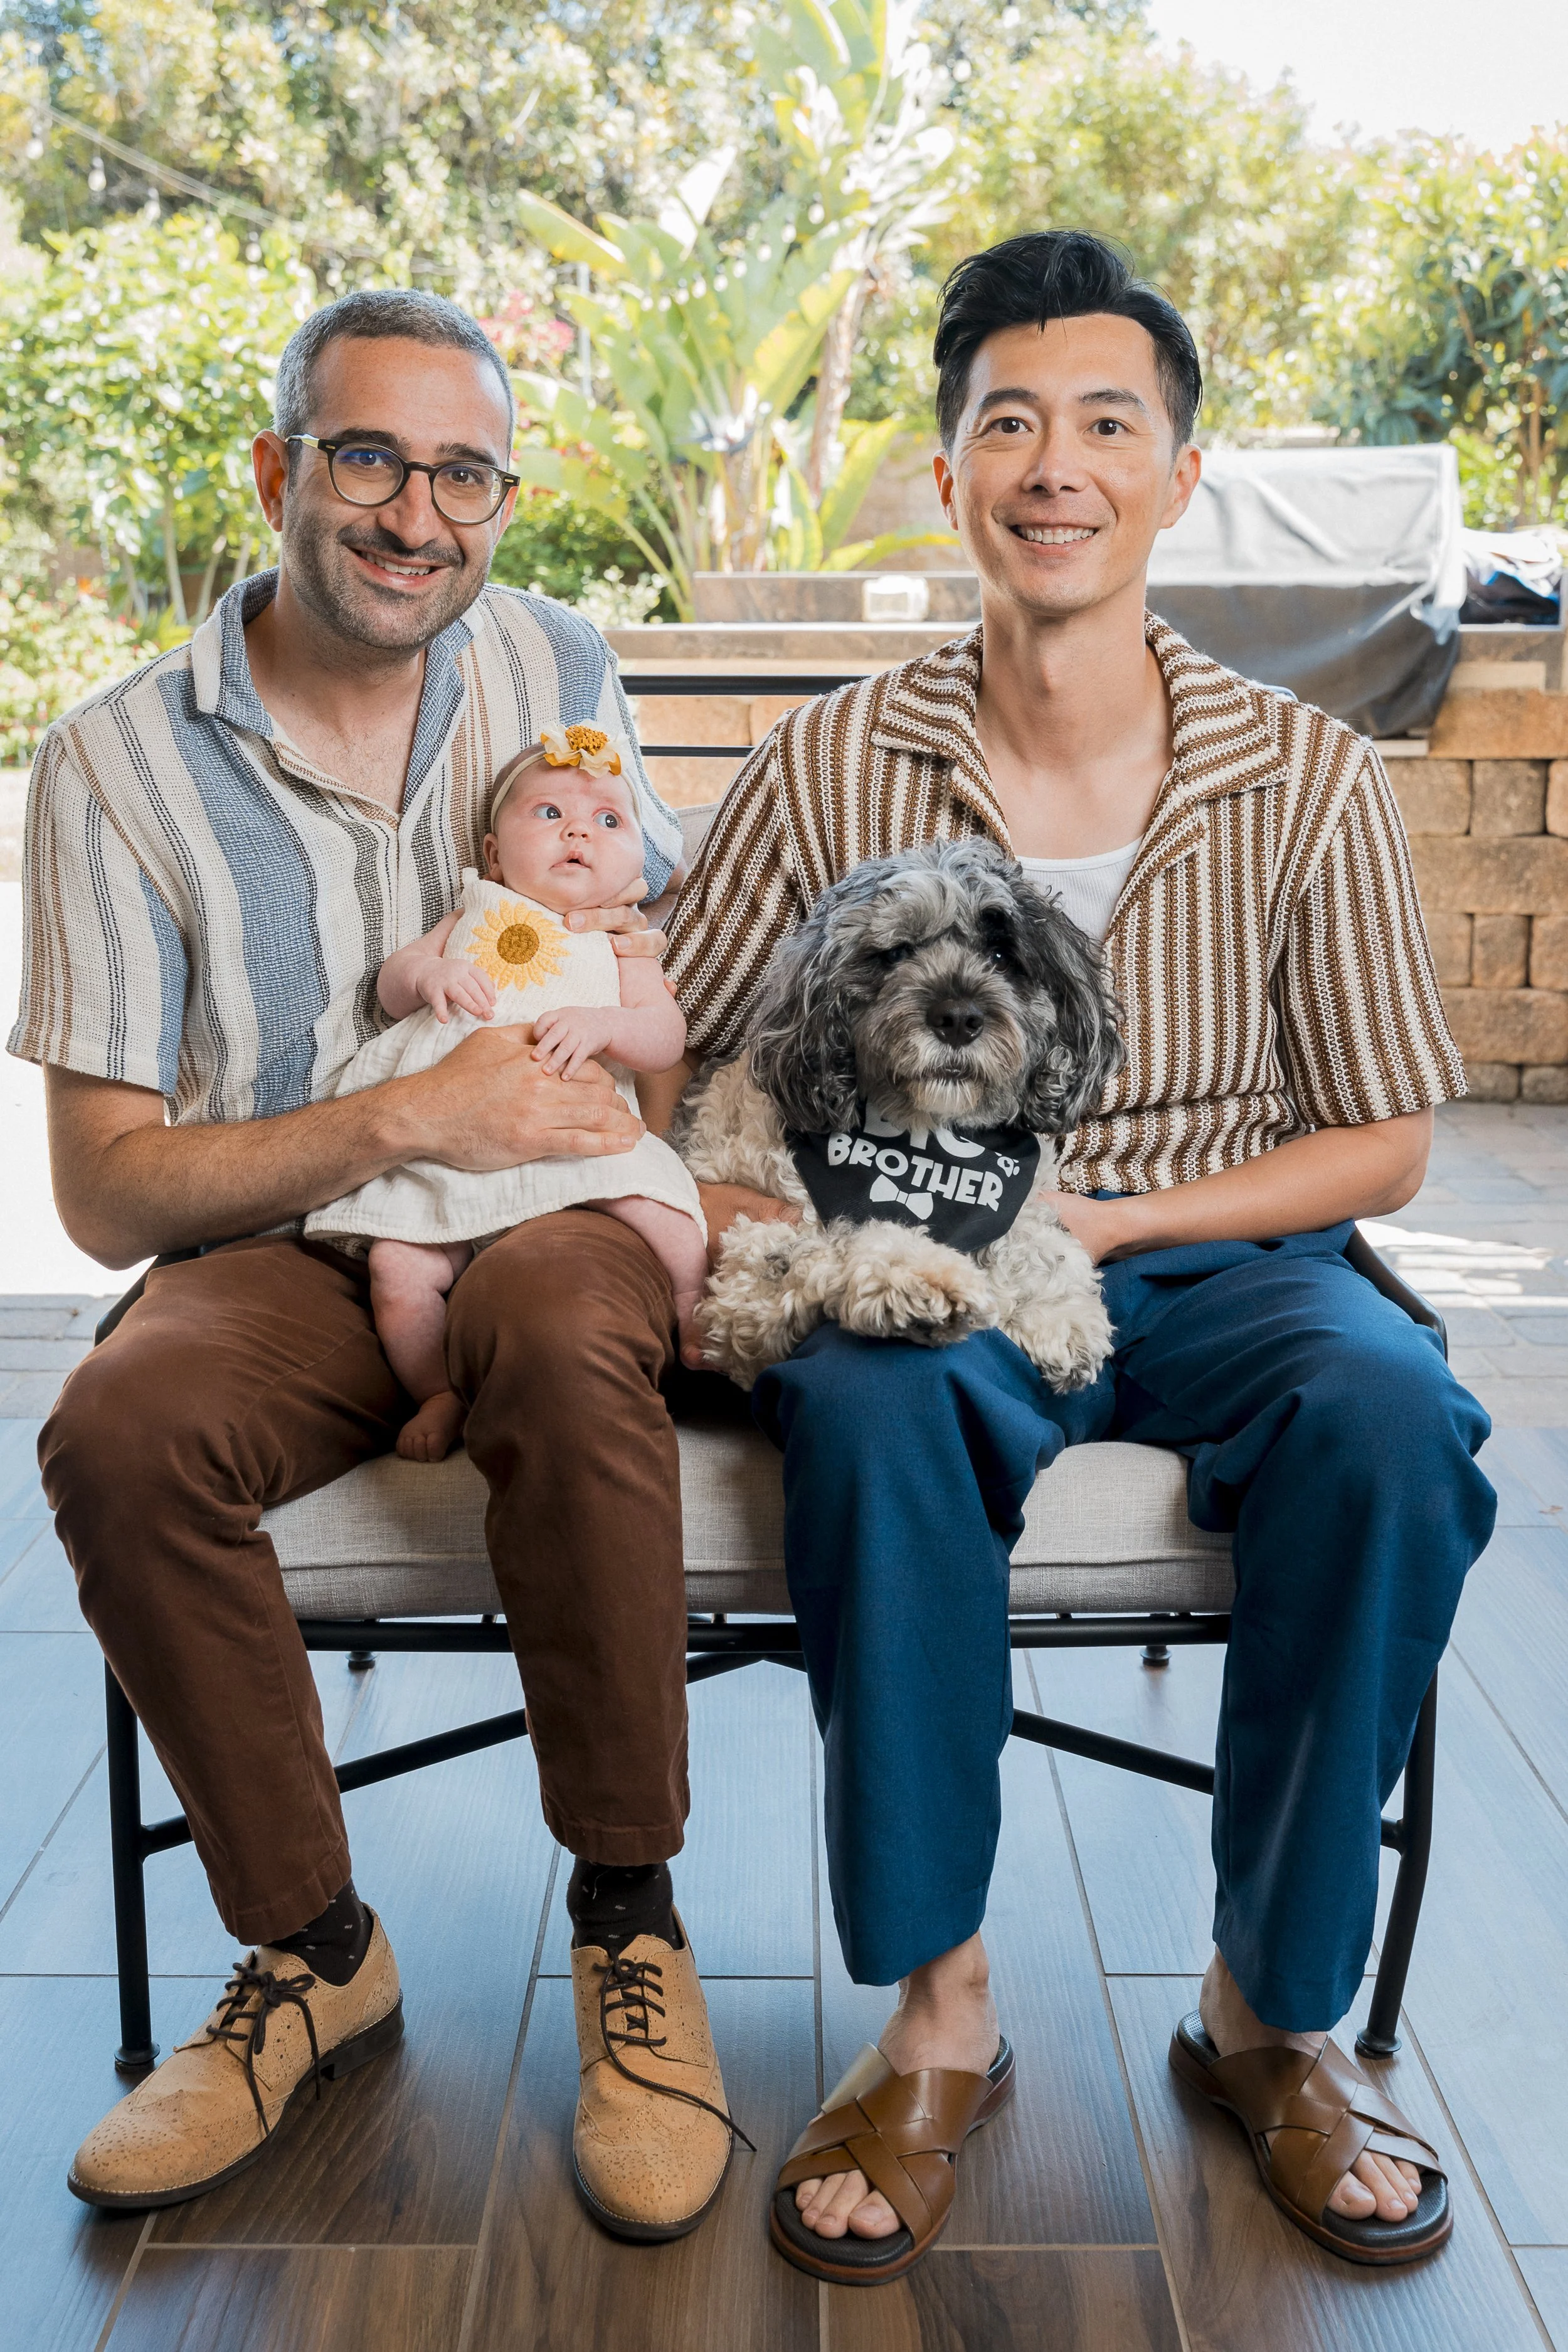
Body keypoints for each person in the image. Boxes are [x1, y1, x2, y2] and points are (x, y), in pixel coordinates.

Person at [662, 230, 1494, 2279]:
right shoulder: (829, 762)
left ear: (1176, 472)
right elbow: (662, 1054)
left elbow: (1380, 1131)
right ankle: (940, 2021)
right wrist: (776, 1220)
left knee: (1396, 1420)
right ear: (947, 473)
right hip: (914, 1259)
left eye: (1107, 423)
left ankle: (1268, 2016)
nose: (1057, 466)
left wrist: (1113, 1220)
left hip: (1204, 1251)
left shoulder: (1301, 775)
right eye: (1007, 423)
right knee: (868, 1407)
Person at [17, 287, 738, 2241]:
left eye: (464, 472)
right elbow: (103, 1192)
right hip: (292, 1233)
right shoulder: (114, 767)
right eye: (366, 457)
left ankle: (625, 1923)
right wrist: (407, 1121)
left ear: (505, 496)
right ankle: (313, 1945)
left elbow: (641, 937)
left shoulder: (556, 662)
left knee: (571, 1316)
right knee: (123, 1422)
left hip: (549, 1219)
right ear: (278, 470)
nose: (416, 515)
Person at [307, 728, 708, 1459]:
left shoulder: (621, 939)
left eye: (609, 822)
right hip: (443, 1150)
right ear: (494, 854)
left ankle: (691, 1313)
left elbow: (663, 1037)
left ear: (633, 863)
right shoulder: (476, 910)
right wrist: (429, 978)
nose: (580, 829)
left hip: (575, 1148)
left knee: (664, 1209)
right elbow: (394, 985)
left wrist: (604, 1024)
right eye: (549, 814)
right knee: (398, 1272)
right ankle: (439, 1390)